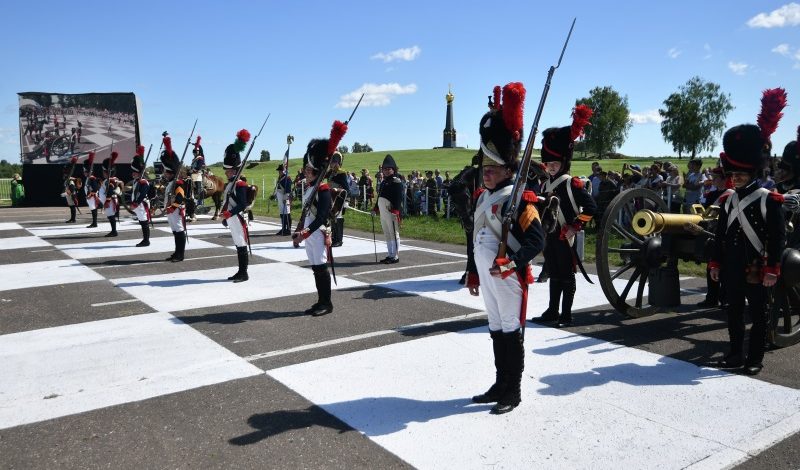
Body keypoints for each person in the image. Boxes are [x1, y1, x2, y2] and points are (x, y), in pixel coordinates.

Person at [466, 82, 544, 415]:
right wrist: (472, 269)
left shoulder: (521, 199)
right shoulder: (483, 197)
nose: (486, 174)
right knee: (496, 329)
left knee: (511, 332)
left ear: (508, 169)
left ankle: (512, 391)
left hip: (509, 276)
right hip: (488, 275)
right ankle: (500, 383)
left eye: (493, 169)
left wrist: (512, 263)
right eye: (485, 169)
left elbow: (536, 241)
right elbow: (476, 235)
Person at [708, 88, 787, 376]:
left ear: (752, 172)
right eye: (733, 174)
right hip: (732, 264)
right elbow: (721, 236)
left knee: (759, 313)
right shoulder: (729, 199)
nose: (736, 178)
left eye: (741, 174)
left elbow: (777, 237)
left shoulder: (769, 199)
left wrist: (772, 268)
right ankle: (733, 354)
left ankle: (754, 358)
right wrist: (716, 263)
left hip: (757, 265)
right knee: (733, 312)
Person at [533, 104, 597, 328]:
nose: (550, 167)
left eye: (555, 163)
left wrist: (574, 227)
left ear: (564, 162)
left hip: (565, 237)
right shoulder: (545, 184)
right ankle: (552, 311)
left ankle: (566, 315)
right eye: (548, 164)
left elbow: (591, 209)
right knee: (553, 273)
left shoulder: (572, 184)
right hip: (549, 238)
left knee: (567, 276)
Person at [293, 120, 347, 316]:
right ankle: (320, 301)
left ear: (317, 172)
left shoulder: (323, 190)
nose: (305, 172)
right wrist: (301, 231)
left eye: (309, 170)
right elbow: (306, 213)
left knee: (321, 267)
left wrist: (304, 233)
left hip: (318, 232)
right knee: (316, 268)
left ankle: (327, 303)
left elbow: (322, 216)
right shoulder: (310, 188)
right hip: (310, 233)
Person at [221, 130, 252, 282]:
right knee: (237, 244)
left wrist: (229, 213)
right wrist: (226, 215)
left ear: (233, 170)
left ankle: (243, 272)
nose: (226, 173)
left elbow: (242, 204)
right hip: (232, 217)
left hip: (238, 217)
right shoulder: (231, 184)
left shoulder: (239, 184)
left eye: (227, 170)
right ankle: (240, 271)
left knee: (241, 244)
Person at [374, 154, 403, 263]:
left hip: (391, 211)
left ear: (393, 169)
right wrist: (375, 208)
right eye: (384, 169)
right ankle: (390, 254)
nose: (386, 171)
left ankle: (395, 256)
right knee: (387, 233)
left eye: (388, 169)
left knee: (393, 233)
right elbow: (380, 196)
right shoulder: (384, 182)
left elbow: (399, 197)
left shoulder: (396, 181)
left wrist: (396, 209)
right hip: (383, 211)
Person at [162, 135, 186, 262]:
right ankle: (176, 252)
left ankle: (180, 254)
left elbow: (180, 197)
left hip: (176, 210)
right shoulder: (172, 182)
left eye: (166, 172)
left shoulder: (178, 183)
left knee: (179, 231)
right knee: (175, 231)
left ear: (171, 172)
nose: (165, 174)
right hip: (171, 210)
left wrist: (173, 207)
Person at [325, 151, 349, 247]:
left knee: (338, 218)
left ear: (338, 163)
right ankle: (334, 238)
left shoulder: (342, 174)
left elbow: (346, 189)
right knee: (332, 219)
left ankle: (339, 240)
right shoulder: (330, 173)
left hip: (339, 199)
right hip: (331, 198)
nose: (331, 164)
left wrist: (345, 200)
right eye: (331, 162)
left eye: (333, 162)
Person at [130, 146, 151, 247]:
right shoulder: (137, 181)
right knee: (142, 222)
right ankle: (145, 239)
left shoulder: (143, 182)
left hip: (142, 204)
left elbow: (142, 194)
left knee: (144, 222)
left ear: (138, 172)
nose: (133, 173)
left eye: (134, 172)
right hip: (138, 204)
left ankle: (146, 240)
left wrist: (136, 203)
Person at [98, 153, 121, 237]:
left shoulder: (109, 180)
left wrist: (107, 201)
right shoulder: (109, 180)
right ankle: (113, 231)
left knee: (111, 216)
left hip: (110, 201)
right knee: (110, 216)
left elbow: (110, 189)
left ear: (106, 172)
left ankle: (114, 231)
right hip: (110, 200)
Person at [275, 164, 293, 236]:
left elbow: (288, 189)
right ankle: (283, 228)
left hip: (285, 198)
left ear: (284, 171)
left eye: (280, 171)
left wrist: (286, 197)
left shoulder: (287, 178)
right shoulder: (280, 178)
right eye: (279, 171)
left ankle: (288, 229)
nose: (279, 172)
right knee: (282, 214)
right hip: (280, 198)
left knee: (287, 214)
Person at [82, 152, 99, 228]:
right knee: (92, 209)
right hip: (89, 196)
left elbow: (95, 188)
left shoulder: (92, 178)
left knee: (93, 209)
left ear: (88, 171)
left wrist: (90, 194)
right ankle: (94, 222)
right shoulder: (88, 178)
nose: (84, 173)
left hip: (92, 196)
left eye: (85, 171)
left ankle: (94, 223)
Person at [190, 136, 206, 208]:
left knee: (198, 184)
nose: (194, 153)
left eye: (196, 152)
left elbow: (199, 166)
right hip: (192, 173)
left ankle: (200, 201)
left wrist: (193, 170)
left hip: (198, 173)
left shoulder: (200, 158)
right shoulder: (194, 159)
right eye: (194, 152)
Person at [62, 157, 79, 222]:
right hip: (68, 195)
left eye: (65, 175)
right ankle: (72, 218)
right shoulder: (67, 180)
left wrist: (67, 194)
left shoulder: (70, 181)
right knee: (71, 207)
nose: (64, 176)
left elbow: (72, 189)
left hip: (71, 195)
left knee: (72, 207)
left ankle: (73, 219)